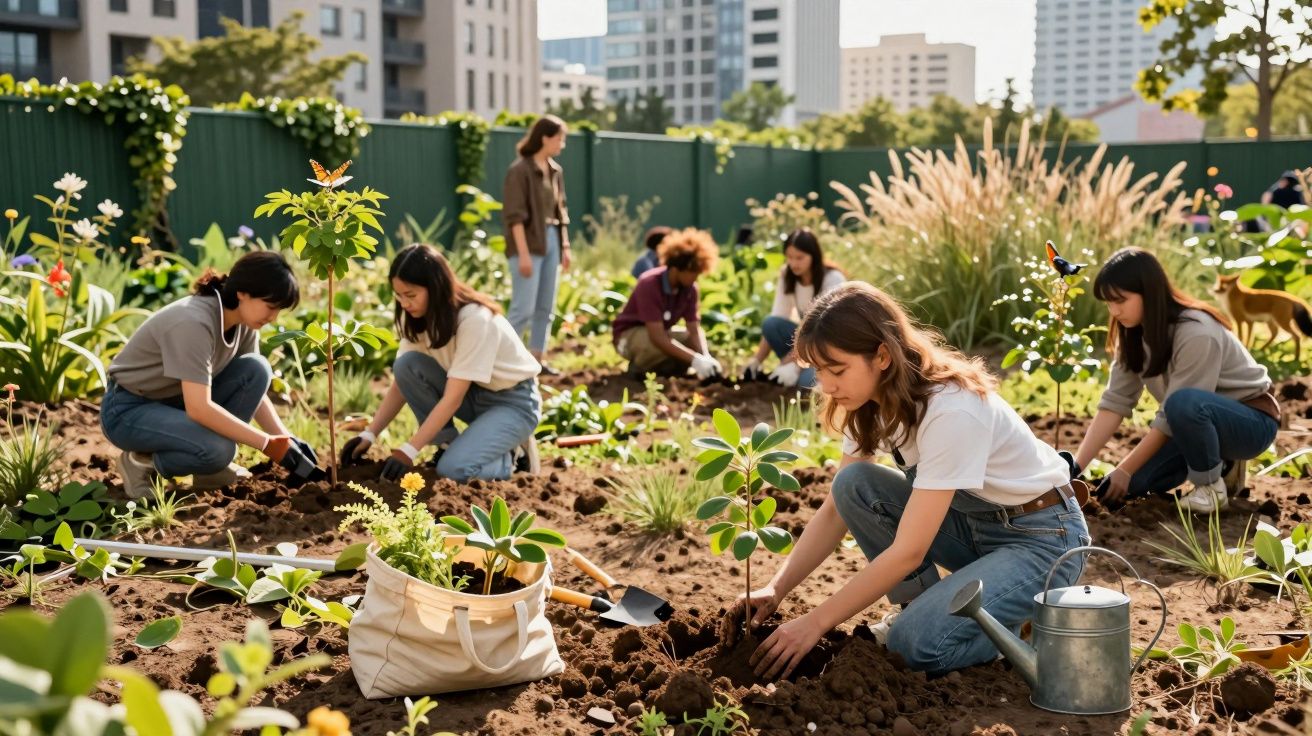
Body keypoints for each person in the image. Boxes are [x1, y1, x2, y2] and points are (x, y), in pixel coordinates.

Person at [731, 281, 1090, 681]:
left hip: (1041, 540)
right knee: (853, 485)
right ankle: (927, 608)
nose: (826, 385)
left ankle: (1027, 623)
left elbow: (909, 551)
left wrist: (815, 623)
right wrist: (776, 590)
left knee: (915, 645)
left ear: (882, 355)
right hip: (973, 528)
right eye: (818, 371)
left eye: (837, 369)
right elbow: (836, 509)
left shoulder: (951, 408)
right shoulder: (868, 401)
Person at [1072, 248, 1279, 513]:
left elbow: (1177, 410)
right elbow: (1115, 403)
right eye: (1108, 303)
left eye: (1120, 300)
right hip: (1192, 424)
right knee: (1134, 483)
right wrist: (1076, 467)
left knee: (1182, 404)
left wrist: (1123, 468)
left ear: (1149, 292)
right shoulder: (1132, 333)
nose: (1114, 310)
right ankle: (1220, 463)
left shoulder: (1196, 332)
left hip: (1250, 423)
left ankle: (1211, 488)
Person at [101, 251, 315, 498]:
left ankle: (210, 472)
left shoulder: (244, 324)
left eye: (279, 310)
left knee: (256, 368)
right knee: (218, 450)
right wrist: (266, 444)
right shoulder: (194, 323)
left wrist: (284, 438)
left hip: (174, 401)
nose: (273, 317)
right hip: (129, 410)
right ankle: (142, 463)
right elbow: (199, 408)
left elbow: (254, 393)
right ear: (243, 293)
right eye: (270, 306)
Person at [340, 244, 542, 483]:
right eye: (399, 295)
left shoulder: (475, 319)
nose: (404, 303)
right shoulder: (417, 317)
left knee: (454, 470)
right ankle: (450, 445)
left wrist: (409, 449)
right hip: (474, 396)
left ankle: (511, 456)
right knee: (407, 365)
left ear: (435, 288)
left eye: (411, 295)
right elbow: (402, 384)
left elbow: (453, 398)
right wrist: (370, 434)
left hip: (513, 404)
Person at [502, 114, 571, 376]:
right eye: (559, 139)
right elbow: (514, 216)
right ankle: (503, 359)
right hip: (528, 243)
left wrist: (565, 246)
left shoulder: (555, 171)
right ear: (545, 138)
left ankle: (536, 360)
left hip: (552, 237)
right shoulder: (519, 171)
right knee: (523, 308)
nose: (562, 145)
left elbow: (561, 211)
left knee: (545, 307)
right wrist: (523, 255)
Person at [611, 227, 721, 379]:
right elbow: (657, 336)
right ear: (676, 269)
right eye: (693, 274)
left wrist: (705, 356)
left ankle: (666, 369)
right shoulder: (649, 283)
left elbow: (693, 329)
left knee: (693, 343)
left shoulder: (690, 289)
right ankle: (640, 368)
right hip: (630, 335)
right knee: (653, 347)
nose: (695, 278)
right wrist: (694, 360)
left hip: (660, 333)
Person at [743, 228, 846, 388]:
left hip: (829, 347)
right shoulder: (787, 275)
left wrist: (792, 363)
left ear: (814, 256)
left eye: (800, 258)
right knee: (771, 324)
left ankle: (803, 373)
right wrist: (757, 361)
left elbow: (826, 333)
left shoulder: (832, 279)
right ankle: (794, 371)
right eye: (789, 257)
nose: (794, 263)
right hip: (805, 343)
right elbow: (778, 316)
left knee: (806, 385)